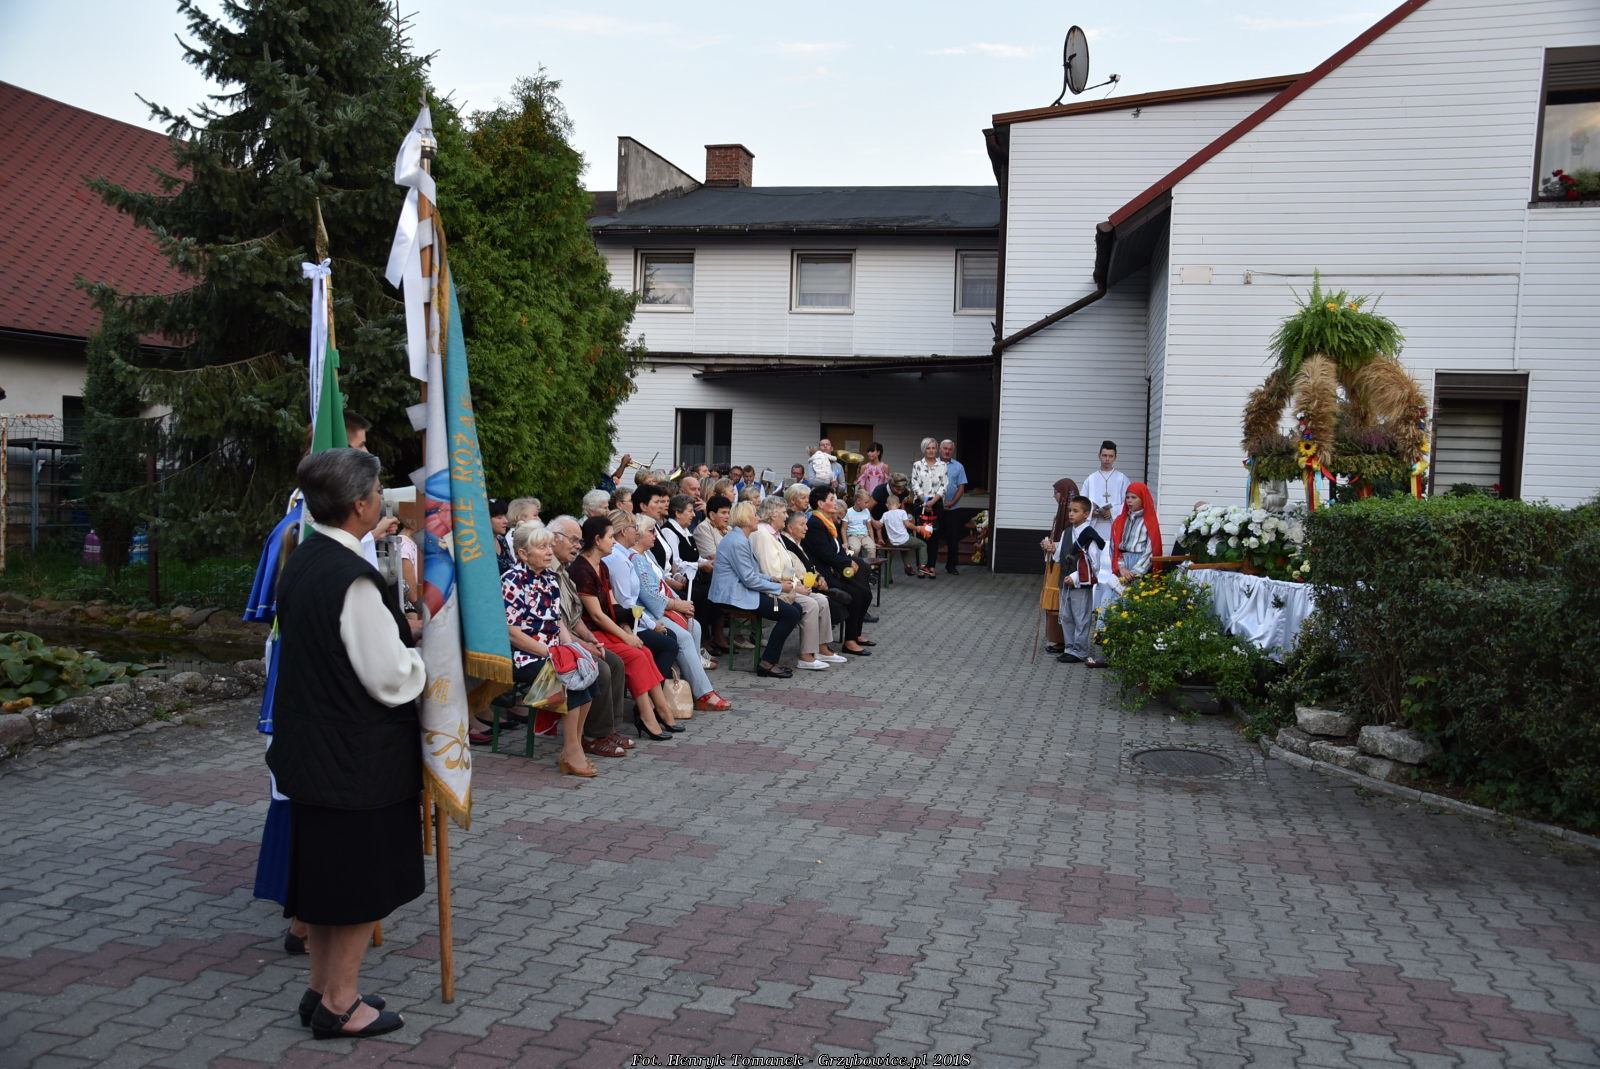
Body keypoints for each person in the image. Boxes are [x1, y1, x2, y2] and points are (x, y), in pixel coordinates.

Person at [267, 448, 424, 1040]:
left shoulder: (306, 556)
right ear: (360, 504)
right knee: (358, 883)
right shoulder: (352, 577)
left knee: (327, 879)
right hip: (357, 758)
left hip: (313, 748)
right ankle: (340, 1003)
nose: (382, 499)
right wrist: (426, 666)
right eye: (378, 491)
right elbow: (388, 677)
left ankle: (319, 991)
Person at [569, 515, 679, 740]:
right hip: (590, 633)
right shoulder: (582, 569)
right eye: (610, 537)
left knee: (644, 651)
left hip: (606, 628)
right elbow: (596, 615)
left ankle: (661, 710)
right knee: (636, 655)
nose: (613, 542)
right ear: (597, 540)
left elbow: (614, 607)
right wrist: (625, 636)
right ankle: (647, 715)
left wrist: (627, 628)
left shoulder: (601, 566)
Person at [500, 524, 598, 776]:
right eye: (541, 547)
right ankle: (572, 751)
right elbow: (513, 633)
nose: (549, 552)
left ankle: (572, 748)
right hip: (522, 656)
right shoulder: (512, 580)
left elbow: (557, 622)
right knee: (569, 677)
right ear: (523, 554)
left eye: (548, 546)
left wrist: (572, 648)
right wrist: (551, 654)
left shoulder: (549, 578)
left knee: (587, 671)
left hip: (551, 651)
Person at [544, 514, 632, 760]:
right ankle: (593, 736)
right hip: (554, 643)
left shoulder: (564, 570)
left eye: (579, 541)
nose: (577, 546)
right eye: (573, 540)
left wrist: (590, 639)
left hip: (570, 637)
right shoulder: (548, 573)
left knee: (615, 662)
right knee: (599, 668)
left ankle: (609, 730)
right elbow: (557, 625)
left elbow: (575, 618)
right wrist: (584, 645)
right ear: (554, 539)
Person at [632, 514, 733, 709]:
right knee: (684, 636)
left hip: (661, 607)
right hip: (648, 613)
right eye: (651, 531)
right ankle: (703, 693)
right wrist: (676, 605)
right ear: (637, 535)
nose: (655, 535)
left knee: (695, 625)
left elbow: (662, 581)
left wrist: (680, 602)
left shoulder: (647, 554)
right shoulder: (635, 558)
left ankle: (691, 686)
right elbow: (648, 595)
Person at [708, 500, 804, 679]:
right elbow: (749, 579)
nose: (758, 518)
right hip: (734, 596)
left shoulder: (739, 538)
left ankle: (769, 659)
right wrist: (779, 587)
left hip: (741, 590)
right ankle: (767, 663)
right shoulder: (737, 541)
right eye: (755, 515)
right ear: (746, 518)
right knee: (790, 614)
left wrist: (770, 579)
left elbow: (750, 574)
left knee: (795, 609)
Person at [750, 497, 829, 671]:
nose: (787, 516)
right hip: (773, 590)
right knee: (810, 604)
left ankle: (821, 649)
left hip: (785, 585)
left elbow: (787, 567)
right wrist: (795, 587)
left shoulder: (774, 534)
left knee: (822, 600)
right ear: (773, 515)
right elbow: (770, 571)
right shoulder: (763, 535)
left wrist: (797, 584)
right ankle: (805, 656)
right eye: (784, 512)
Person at [802, 486, 874, 656]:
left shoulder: (827, 522)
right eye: (831, 499)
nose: (835, 503)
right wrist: (847, 562)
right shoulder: (815, 523)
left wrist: (848, 560)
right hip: (821, 575)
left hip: (833, 570)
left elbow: (837, 549)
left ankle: (856, 634)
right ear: (820, 503)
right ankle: (849, 641)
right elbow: (825, 554)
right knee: (857, 594)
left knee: (865, 593)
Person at [1041, 495, 1104, 665]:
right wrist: (1050, 548)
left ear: (1086, 514)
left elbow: (1094, 563)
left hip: (1080, 584)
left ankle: (1080, 651)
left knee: (1081, 617)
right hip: (1064, 581)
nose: (1071, 514)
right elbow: (1059, 556)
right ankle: (1069, 648)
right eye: (1070, 510)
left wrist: (1076, 577)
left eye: (1075, 511)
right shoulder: (1066, 532)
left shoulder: (1089, 535)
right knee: (1066, 616)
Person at [1037, 478, 1079, 655]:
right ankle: (1057, 639)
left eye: (1056, 492)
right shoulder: (1060, 514)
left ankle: (1063, 640)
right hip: (1054, 563)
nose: (1054, 496)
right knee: (1053, 603)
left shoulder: (1071, 519)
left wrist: (1053, 546)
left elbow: (1069, 545)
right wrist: (1048, 544)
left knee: (1059, 603)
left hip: (1064, 567)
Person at [693, 494, 732, 655]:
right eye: (723, 512)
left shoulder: (728, 529)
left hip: (725, 574)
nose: (727, 516)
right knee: (710, 592)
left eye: (728, 512)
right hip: (707, 575)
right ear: (711, 514)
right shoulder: (703, 528)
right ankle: (707, 639)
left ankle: (721, 636)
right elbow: (712, 556)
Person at [1083, 440, 1130, 544]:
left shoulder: (1122, 479)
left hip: (1114, 523)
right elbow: (1082, 502)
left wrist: (1112, 512)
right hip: (1095, 524)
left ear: (1115, 458)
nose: (1107, 459)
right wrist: (1091, 512)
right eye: (1104, 455)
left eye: (1110, 456)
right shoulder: (1091, 479)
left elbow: (1128, 502)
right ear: (1099, 456)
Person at [937, 439, 970, 575]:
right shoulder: (933, 464)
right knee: (933, 536)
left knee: (952, 538)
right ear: (940, 449)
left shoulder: (958, 466)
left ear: (953, 451)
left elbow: (961, 487)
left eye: (950, 449)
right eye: (945, 448)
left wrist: (952, 502)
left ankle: (951, 565)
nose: (947, 451)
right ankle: (929, 565)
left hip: (952, 508)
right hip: (935, 507)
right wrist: (937, 503)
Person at [880, 493, 931, 577]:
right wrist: (917, 528)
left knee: (903, 547)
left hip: (893, 542)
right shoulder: (902, 512)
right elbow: (908, 525)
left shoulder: (885, 515)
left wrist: (879, 537)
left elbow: (879, 526)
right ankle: (922, 566)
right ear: (899, 505)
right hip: (904, 540)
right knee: (922, 545)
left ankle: (907, 567)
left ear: (887, 505)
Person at [909, 438, 948, 537]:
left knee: (935, 534)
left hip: (936, 502)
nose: (931, 450)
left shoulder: (942, 465)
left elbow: (944, 485)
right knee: (921, 533)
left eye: (933, 448)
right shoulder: (917, 465)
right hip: (920, 502)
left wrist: (932, 502)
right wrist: (926, 502)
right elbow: (915, 484)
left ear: (937, 450)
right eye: (928, 448)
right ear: (923, 450)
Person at [843, 489, 876, 561]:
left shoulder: (867, 511)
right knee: (855, 549)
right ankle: (854, 563)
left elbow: (870, 528)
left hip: (865, 536)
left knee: (872, 548)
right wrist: (845, 542)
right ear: (858, 501)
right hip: (853, 535)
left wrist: (873, 540)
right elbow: (843, 529)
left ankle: (871, 565)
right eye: (866, 502)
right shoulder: (848, 512)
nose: (868, 505)